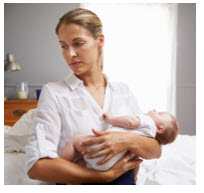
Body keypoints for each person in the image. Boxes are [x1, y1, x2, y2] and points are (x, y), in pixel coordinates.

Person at [25, 8, 161, 185]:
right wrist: (103, 176)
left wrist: (125, 139)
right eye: (63, 46)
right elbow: (37, 167)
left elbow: (155, 149)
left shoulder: (123, 91)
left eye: (78, 43)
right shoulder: (54, 93)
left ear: (100, 41)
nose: (70, 54)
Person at [60, 109, 179, 180]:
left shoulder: (148, 123)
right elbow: (135, 162)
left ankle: (61, 166)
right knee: (84, 163)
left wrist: (111, 119)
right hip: (109, 166)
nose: (153, 110)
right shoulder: (146, 139)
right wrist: (135, 176)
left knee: (75, 141)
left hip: (98, 148)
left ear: (160, 129)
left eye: (158, 113)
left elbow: (130, 121)